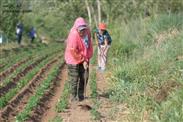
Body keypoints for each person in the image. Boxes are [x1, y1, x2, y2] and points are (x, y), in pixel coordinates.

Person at [64, 17, 93, 102]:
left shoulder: (87, 32)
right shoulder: (73, 35)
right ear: (77, 29)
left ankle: (81, 95)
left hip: (84, 57)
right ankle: (73, 97)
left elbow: (89, 45)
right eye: (80, 30)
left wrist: (87, 58)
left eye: (84, 29)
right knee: (74, 78)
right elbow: (73, 51)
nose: (82, 32)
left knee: (85, 76)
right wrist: (82, 60)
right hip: (73, 58)